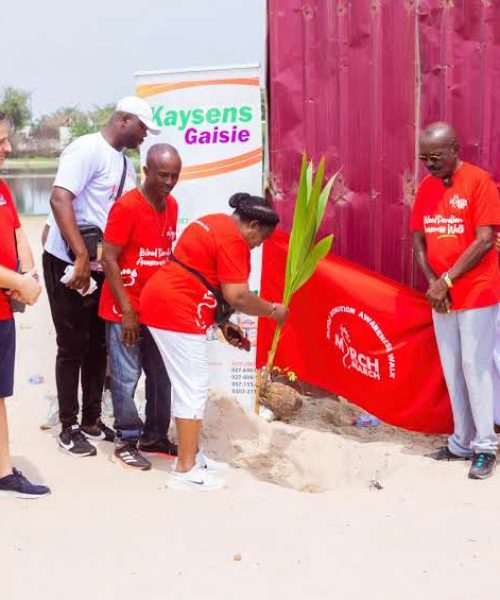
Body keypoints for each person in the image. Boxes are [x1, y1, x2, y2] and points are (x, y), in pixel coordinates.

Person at [140, 193, 289, 491]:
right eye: (261, 238)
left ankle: (192, 457)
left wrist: (222, 323)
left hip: (163, 302)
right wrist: (273, 310)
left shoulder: (213, 222)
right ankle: (185, 469)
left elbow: (199, 274)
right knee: (192, 388)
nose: (258, 245)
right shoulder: (234, 242)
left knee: (190, 386)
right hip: (177, 311)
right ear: (253, 225)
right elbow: (238, 296)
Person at [43, 96, 160, 458]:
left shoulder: (123, 163)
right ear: (124, 120)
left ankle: (92, 419)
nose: (144, 136)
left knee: (98, 346)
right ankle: (68, 427)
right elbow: (60, 200)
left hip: (98, 268)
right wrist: (79, 255)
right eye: (142, 128)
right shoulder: (87, 149)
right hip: (68, 262)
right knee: (72, 346)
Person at [411, 121, 500, 479]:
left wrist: (446, 280)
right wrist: (434, 284)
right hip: (442, 296)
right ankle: (460, 442)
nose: (429, 164)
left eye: (435, 157)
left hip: (478, 290)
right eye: (423, 157)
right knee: (451, 367)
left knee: (474, 366)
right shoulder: (427, 188)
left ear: (455, 149)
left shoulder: (480, 182)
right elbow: (418, 240)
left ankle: (485, 445)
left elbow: (484, 239)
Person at [100, 143, 181, 470]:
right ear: (146, 171)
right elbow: (108, 257)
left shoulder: (172, 205)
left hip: (157, 312)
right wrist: (128, 311)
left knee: (161, 377)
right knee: (126, 376)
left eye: (175, 175)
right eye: (163, 175)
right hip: (125, 311)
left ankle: (154, 436)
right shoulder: (127, 207)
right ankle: (127, 439)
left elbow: (165, 255)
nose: (169, 182)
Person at [0, 111, 50, 498]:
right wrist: (17, 281)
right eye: (1, 140)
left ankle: (3, 470)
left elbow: (18, 237)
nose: (8, 148)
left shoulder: (3, 188)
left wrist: (29, 276)